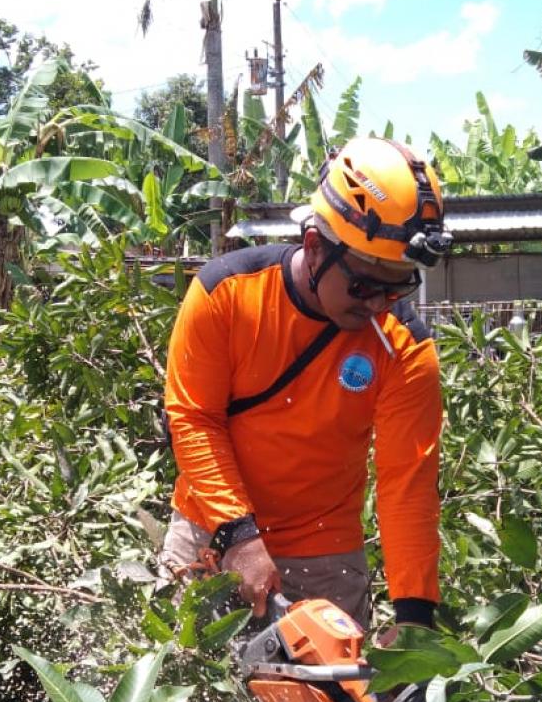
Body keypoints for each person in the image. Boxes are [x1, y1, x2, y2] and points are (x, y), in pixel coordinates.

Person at [160, 137, 451, 638]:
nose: (378, 303)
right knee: (178, 683)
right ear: (315, 247)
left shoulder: (405, 348)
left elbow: (407, 483)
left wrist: (414, 617)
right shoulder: (225, 292)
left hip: (324, 553)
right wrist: (238, 535)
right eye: (363, 284)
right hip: (208, 527)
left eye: (397, 286)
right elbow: (193, 417)